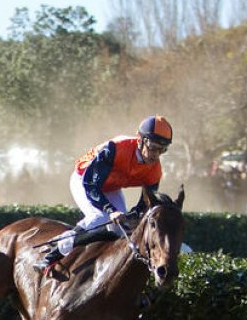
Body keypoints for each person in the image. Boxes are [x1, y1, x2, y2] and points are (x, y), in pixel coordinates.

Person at [35, 115, 173, 271]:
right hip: (84, 181)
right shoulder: (116, 149)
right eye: (153, 147)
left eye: (162, 150)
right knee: (100, 218)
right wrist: (111, 210)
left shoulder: (155, 171)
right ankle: (51, 256)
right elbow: (91, 185)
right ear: (140, 140)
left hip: (110, 187)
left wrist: (133, 216)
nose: (156, 154)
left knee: (121, 229)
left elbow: (145, 204)